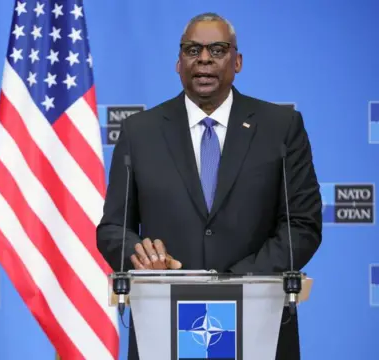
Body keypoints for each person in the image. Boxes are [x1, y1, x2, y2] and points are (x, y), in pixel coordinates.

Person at [96, 12, 322, 360]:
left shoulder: (281, 128)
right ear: (178, 63)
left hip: (260, 324)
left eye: (217, 49)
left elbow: (303, 225)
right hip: (164, 327)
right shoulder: (139, 132)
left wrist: (233, 286)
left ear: (238, 61)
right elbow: (113, 228)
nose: (203, 58)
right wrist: (137, 253)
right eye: (192, 50)